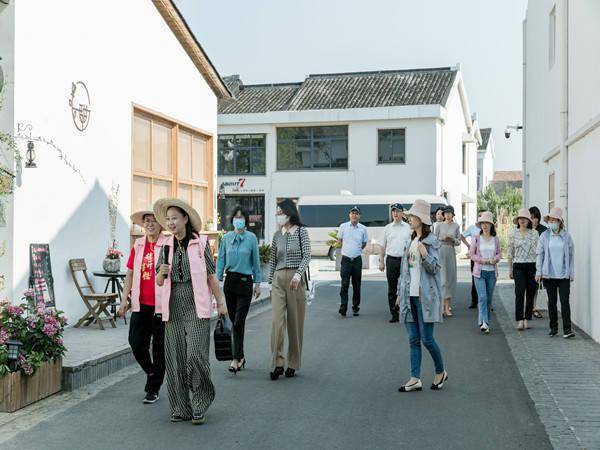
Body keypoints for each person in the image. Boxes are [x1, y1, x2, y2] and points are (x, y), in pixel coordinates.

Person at [154, 198, 228, 425]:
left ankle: (199, 404)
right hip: (172, 305)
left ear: (185, 219)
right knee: (175, 357)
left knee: (196, 355)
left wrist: (221, 303)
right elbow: (158, 281)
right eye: (168, 219)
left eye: (174, 218)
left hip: (196, 305)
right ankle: (180, 407)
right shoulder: (164, 244)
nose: (170, 222)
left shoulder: (201, 243)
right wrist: (162, 272)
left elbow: (211, 277)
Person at [396, 199, 447, 393]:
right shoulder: (410, 241)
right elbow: (405, 271)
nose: (409, 219)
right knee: (413, 340)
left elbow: (434, 268)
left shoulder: (432, 241)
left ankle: (440, 371)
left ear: (422, 219)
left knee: (427, 339)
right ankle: (415, 378)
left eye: (412, 216)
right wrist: (400, 294)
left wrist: (425, 255)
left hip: (424, 296)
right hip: (409, 296)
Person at [119, 210, 166, 404]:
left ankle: (153, 389)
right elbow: (130, 274)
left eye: (154, 221)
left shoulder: (168, 244)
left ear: (161, 224)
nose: (150, 224)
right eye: (147, 221)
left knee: (159, 350)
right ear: (143, 225)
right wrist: (124, 300)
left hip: (162, 306)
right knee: (136, 343)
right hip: (140, 304)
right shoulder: (138, 245)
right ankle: (151, 372)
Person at [268, 198, 311, 380]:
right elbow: (272, 259)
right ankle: (277, 363)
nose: (278, 215)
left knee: (295, 323)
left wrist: (298, 274)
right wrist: (270, 282)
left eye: (280, 212)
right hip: (278, 279)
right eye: (277, 213)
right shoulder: (277, 235)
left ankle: (293, 363)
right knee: (277, 322)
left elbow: (307, 254)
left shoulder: (301, 231)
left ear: (288, 212)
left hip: (295, 280)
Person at [216, 206, 261, 374]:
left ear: (246, 220)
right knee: (234, 321)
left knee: (239, 321)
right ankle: (240, 357)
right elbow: (221, 259)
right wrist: (217, 279)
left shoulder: (251, 238)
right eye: (236, 216)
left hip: (245, 283)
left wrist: (257, 283)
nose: (239, 219)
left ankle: (236, 358)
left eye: (242, 217)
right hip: (230, 282)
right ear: (232, 219)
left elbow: (256, 261)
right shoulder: (226, 238)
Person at [535, 207, 575, 339]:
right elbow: (539, 255)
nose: (552, 222)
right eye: (550, 220)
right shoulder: (544, 236)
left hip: (563, 275)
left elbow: (570, 256)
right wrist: (538, 272)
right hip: (549, 275)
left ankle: (567, 329)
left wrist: (571, 273)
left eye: (554, 220)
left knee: (564, 301)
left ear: (559, 221)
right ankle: (553, 328)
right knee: (551, 302)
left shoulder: (566, 236)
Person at [379, 203, 412, 323]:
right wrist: (381, 261)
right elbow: (382, 246)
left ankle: (405, 310)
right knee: (392, 288)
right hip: (391, 260)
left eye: (398, 211)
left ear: (402, 213)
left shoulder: (408, 227)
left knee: (405, 286)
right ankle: (394, 312)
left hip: (405, 261)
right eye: (393, 211)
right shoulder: (387, 228)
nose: (395, 213)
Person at [508, 208, 539, 331]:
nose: (522, 221)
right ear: (517, 220)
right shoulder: (512, 233)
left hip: (532, 265)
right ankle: (520, 320)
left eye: (525, 219)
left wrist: (539, 270)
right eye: (520, 218)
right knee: (519, 293)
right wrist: (510, 269)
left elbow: (538, 252)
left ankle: (527, 318)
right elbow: (510, 253)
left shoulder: (534, 234)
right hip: (518, 266)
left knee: (531, 293)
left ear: (528, 221)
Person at [469, 211, 501, 334]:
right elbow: (472, 254)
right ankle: (484, 322)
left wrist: (495, 259)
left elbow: (499, 254)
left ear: (491, 225)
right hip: (479, 272)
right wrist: (483, 260)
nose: (485, 225)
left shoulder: (495, 239)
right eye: (483, 223)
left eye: (487, 223)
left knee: (488, 299)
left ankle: (484, 322)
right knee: (482, 297)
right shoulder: (477, 239)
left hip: (492, 273)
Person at [337, 206, 369, 317]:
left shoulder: (363, 229)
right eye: (352, 213)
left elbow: (364, 243)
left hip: (356, 260)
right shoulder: (343, 226)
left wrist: (356, 250)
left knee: (356, 285)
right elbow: (340, 240)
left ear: (359, 216)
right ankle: (343, 306)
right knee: (344, 284)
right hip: (345, 260)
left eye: (356, 213)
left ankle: (355, 307)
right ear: (349, 215)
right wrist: (347, 250)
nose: (354, 215)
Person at [434, 205, 460, 317]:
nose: (448, 215)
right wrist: (441, 238)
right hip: (440, 251)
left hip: (450, 251)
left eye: (450, 213)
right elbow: (434, 240)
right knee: (442, 280)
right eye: (446, 213)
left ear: (453, 215)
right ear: (443, 215)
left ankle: (447, 307)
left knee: (449, 279)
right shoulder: (439, 226)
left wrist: (452, 239)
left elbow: (459, 241)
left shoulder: (456, 226)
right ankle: (440, 307)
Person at [529, 206, 547, 318]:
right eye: (531, 218)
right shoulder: (526, 229)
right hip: (527, 261)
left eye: (535, 218)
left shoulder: (544, 230)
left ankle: (534, 308)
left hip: (539, 262)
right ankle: (528, 307)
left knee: (536, 286)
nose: (533, 220)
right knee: (527, 286)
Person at [461, 220, 481, 309]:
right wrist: (468, 245)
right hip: (475, 256)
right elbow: (461, 236)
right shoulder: (472, 228)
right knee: (475, 278)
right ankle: (474, 301)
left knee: (485, 278)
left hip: (486, 256)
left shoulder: (488, 227)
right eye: (480, 215)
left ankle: (486, 301)